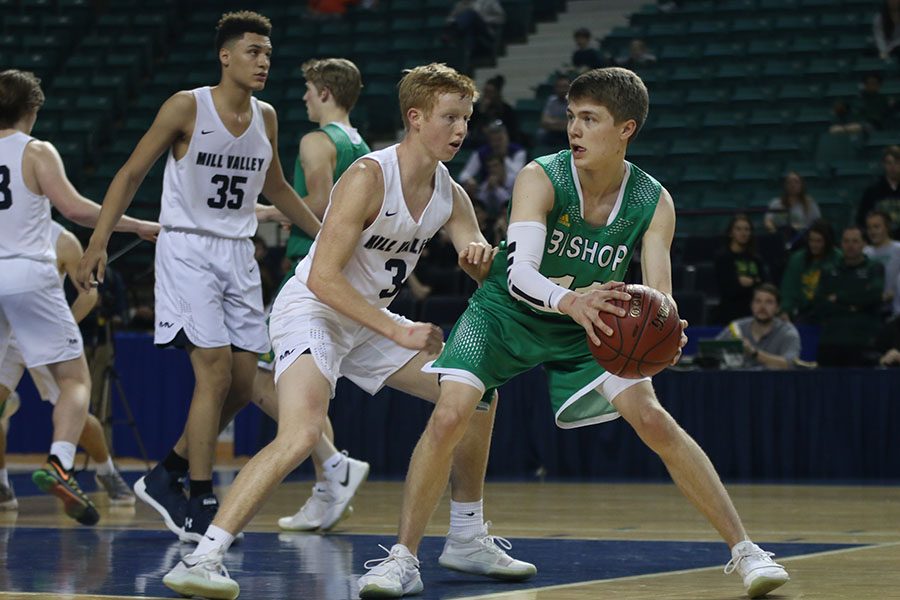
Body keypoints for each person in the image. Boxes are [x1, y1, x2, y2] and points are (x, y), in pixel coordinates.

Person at [357, 67, 789, 600]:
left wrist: (669, 329)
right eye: (571, 117)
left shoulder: (654, 201)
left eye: (590, 119)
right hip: (504, 314)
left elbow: (660, 292)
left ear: (626, 129)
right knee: (450, 414)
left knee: (654, 420)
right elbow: (518, 274)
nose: (574, 130)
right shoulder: (541, 176)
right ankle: (402, 559)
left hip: (589, 326)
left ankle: (746, 552)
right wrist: (573, 300)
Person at [161, 63, 535, 600]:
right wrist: (398, 331)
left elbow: (478, 260)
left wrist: (481, 260)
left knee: (475, 391)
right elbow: (322, 276)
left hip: (368, 322)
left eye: (466, 119)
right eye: (449, 117)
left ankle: (468, 536)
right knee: (302, 434)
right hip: (313, 309)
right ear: (415, 117)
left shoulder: (450, 192)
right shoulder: (368, 176)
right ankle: (205, 556)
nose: (460, 129)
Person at [77, 11, 322, 542]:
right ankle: (199, 493)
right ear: (225, 55)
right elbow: (130, 173)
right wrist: (99, 239)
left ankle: (166, 474)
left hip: (238, 253)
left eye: (268, 54)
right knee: (211, 371)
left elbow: (277, 187)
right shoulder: (187, 105)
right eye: (254, 52)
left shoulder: (267, 116)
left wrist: (326, 236)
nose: (264, 62)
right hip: (186, 248)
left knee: (240, 383)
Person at [0, 69, 158, 525]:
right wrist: (135, 224)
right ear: (33, 110)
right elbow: (72, 208)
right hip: (28, 274)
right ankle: (60, 463)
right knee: (75, 381)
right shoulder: (35, 150)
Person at [254, 57, 374, 533]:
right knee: (308, 388)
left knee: (256, 379)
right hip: (344, 271)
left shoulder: (315, 140)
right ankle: (328, 484)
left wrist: (264, 212)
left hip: (310, 271)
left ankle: (333, 465)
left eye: (308, 89)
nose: (303, 98)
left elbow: (321, 206)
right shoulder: (360, 144)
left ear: (325, 91)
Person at [0, 221, 135, 510]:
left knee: (77, 416)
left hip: (41, 330)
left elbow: (89, 293)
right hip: (6, 334)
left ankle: (106, 471)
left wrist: (62, 329)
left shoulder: (61, 239)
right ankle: (2, 484)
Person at [812, 225, 885, 367]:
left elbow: (874, 296)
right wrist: (854, 306)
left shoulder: (874, 268)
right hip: (830, 339)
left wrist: (838, 298)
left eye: (855, 241)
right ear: (841, 244)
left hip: (863, 338)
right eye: (846, 241)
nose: (850, 246)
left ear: (864, 244)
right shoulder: (828, 269)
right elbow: (819, 303)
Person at [715, 284, 801, 369]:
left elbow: (790, 364)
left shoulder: (787, 332)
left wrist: (754, 353)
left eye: (769, 302)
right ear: (752, 305)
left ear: (777, 308)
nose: (762, 307)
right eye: (758, 301)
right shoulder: (736, 327)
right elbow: (710, 353)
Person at [779, 219, 841, 323]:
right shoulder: (797, 259)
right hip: (802, 313)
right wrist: (785, 311)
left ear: (827, 241)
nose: (814, 245)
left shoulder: (838, 258)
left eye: (818, 241)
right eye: (811, 240)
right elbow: (788, 289)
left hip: (831, 313)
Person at [458, 119, 525, 212]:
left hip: (511, 189)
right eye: (494, 139)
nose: (497, 143)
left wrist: (504, 157)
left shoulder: (517, 151)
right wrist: (469, 180)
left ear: (506, 136)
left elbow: (518, 174)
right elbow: (464, 175)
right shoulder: (481, 153)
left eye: (500, 139)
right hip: (487, 188)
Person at [714, 214, 768, 325]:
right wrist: (754, 281)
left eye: (747, 229)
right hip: (730, 311)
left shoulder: (756, 258)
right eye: (738, 229)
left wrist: (750, 282)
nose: (743, 233)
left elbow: (765, 284)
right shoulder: (723, 258)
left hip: (754, 310)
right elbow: (729, 288)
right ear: (730, 233)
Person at [856, 145, 900, 236]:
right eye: (889, 163)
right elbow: (861, 219)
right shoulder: (872, 191)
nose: (892, 167)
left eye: (896, 163)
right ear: (883, 164)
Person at [467, 74, 521, 147]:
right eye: (486, 92)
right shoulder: (477, 108)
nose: (487, 95)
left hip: (499, 139)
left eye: (490, 92)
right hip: (478, 139)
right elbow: (470, 127)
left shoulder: (506, 109)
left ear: (497, 93)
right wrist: (481, 112)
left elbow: (512, 130)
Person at [763, 171, 821, 238]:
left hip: (802, 237)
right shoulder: (776, 203)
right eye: (789, 182)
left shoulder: (810, 203)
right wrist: (774, 232)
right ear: (785, 185)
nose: (793, 185)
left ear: (802, 185)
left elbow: (817, 223)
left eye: (796, 182)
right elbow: (767, 220)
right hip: (780, 236)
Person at [537, 74, 570, 147]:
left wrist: (554, 121)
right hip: (552, 133)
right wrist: (564, 123)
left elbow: (574, 124)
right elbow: (544, 122)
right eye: (559, 87)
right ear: (555, 88)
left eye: (565, 87)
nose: (562, 90)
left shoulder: (575, 101)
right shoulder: (551, 101)